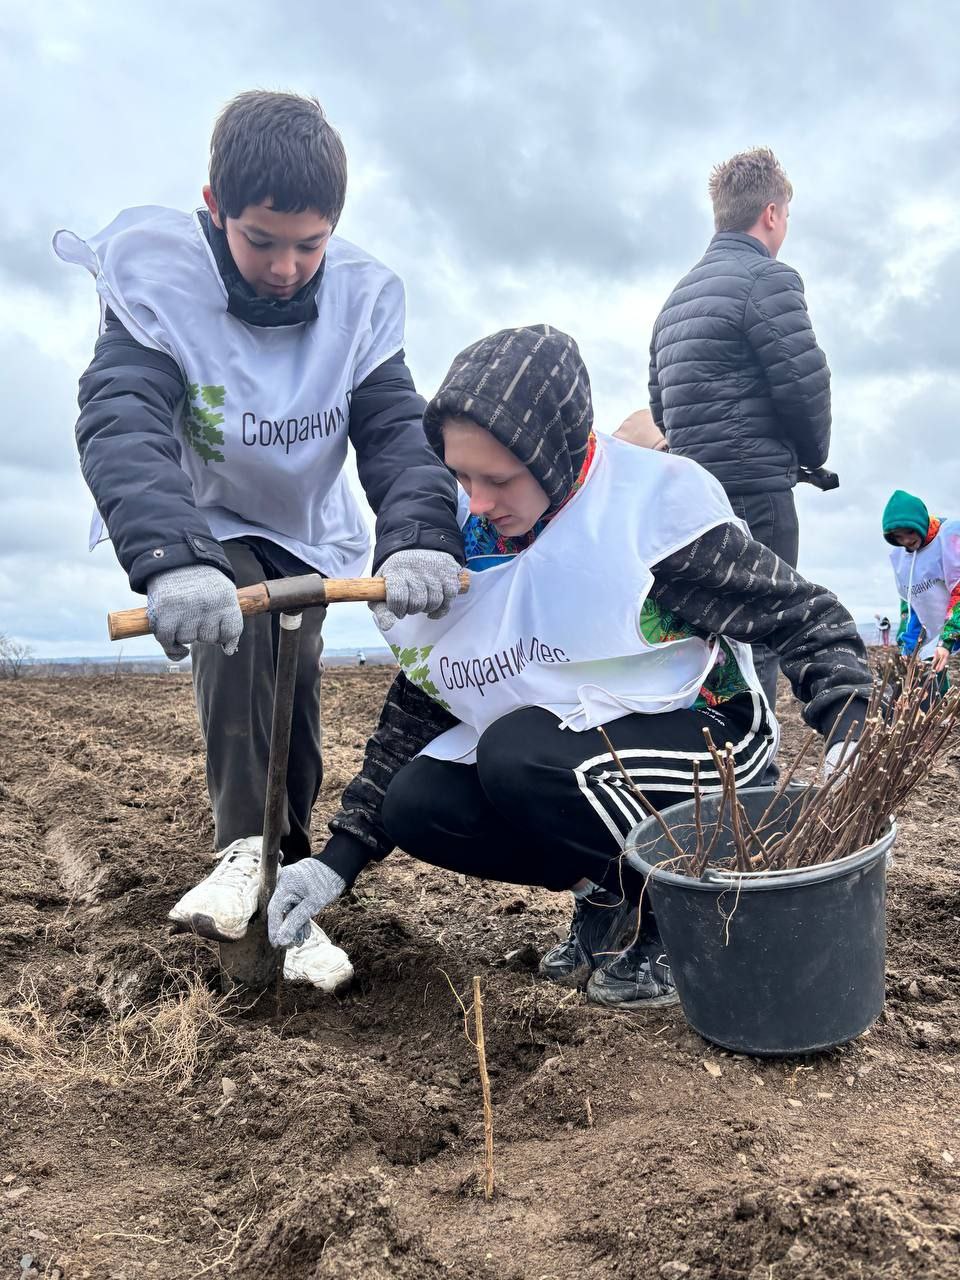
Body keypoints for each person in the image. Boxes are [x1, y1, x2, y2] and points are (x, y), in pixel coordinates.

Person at [267, 325, 872, 1012]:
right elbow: (436, 689)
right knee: (419, 802)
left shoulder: (648, 516)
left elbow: (806, 618)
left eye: (499, 479)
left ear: (553, 456)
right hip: (575, 742)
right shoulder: (474, 538)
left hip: (709, 742)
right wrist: (336, 862)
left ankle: (683, 920)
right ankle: (610, 896)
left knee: (518, 754)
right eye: (462, 476)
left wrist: (849, 728)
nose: (478, 501)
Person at [55, 91, 464, 991]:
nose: (286, 268)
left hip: (302, 524)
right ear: (215, 210)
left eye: (309, 245)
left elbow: (396, 432)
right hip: (202, 521)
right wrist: (172, 556)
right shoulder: (157, 280)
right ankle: (244, 848)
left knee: (296, 686)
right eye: (261, 241)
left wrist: (417, 536)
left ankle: (286, 881)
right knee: (236, 641)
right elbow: (123, 418)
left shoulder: (360, 300)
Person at [648, 147, 832, 719]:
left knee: (704, 639)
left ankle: (706, 756)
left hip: (693, 501)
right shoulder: (768, 278)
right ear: (771, 213)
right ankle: (756, 763)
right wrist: (810, 457)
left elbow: (659, 405)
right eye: (786, 215)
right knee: (764, 632)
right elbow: (805, 384)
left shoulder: (674, 302)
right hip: (756, 493)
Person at [882, 490, 960, 684]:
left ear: (920, 522)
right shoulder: (901, 559)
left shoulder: (949, 537)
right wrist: (907, 645)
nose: (906, 540)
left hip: (952, 627)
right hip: (933, 634)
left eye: (910, 532)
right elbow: (910, 605)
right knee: (931, 682)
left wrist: (947, 640)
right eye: (898, 537)